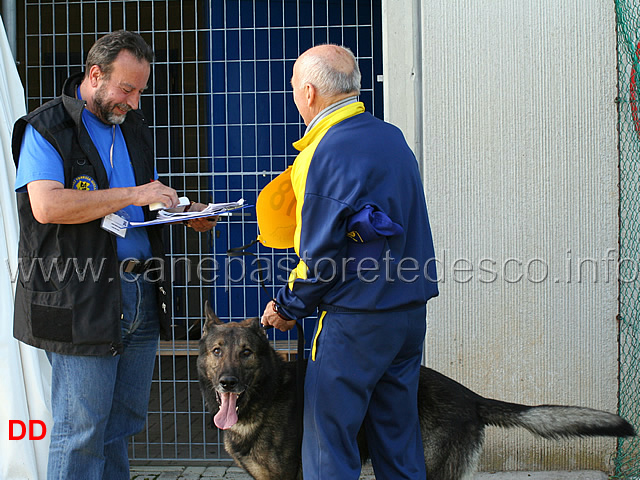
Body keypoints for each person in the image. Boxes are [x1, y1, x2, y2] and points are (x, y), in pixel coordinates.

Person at [12, 30, 215, 480]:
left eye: (141, 91)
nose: (135, 102)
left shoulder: (132, 127)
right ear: (95, 74)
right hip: (81, 296)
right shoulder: (46, 127)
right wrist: (135, 193)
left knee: (119, 427)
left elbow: (147, 200)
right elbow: (47, 206)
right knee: (81, 430)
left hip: (141, 292)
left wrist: (186, 211)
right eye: (127, 89)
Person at [260, 44, 439, 479]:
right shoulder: (391, 137)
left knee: (328, 446)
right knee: (398, 438)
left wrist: (286, 306)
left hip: (354, 320)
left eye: (293, 91)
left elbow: (319, 255)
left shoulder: (323, 152)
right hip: (408, 314)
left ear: (309, 93)